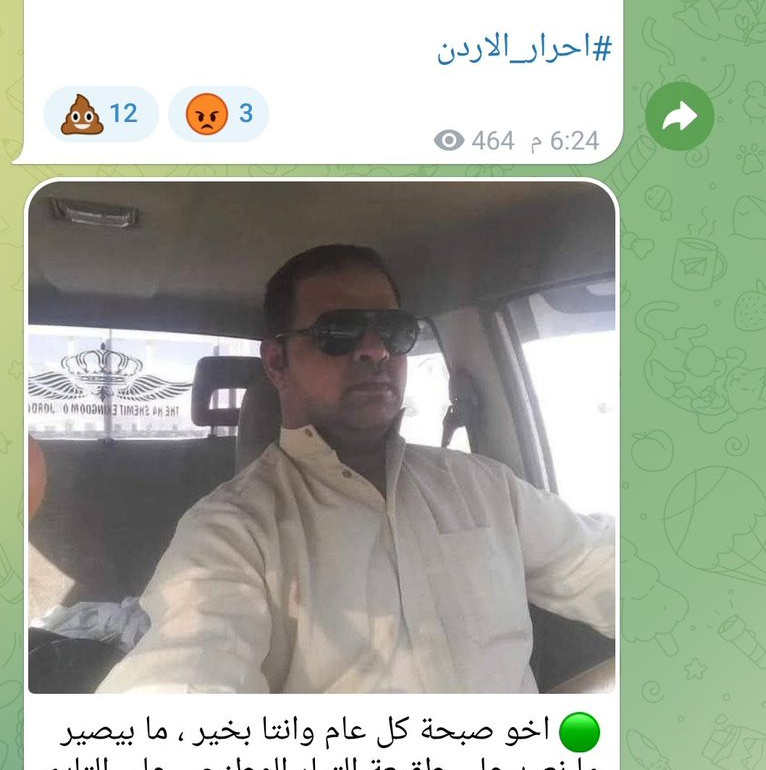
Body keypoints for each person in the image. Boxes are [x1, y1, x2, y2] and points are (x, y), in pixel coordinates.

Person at [99, 244, 614, 694]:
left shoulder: (484, 486)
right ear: (277, 364)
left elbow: (607, 568)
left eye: (393, 330)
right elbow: (182, 678)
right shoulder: (232, 532)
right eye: (338, 331)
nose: (375, 350)